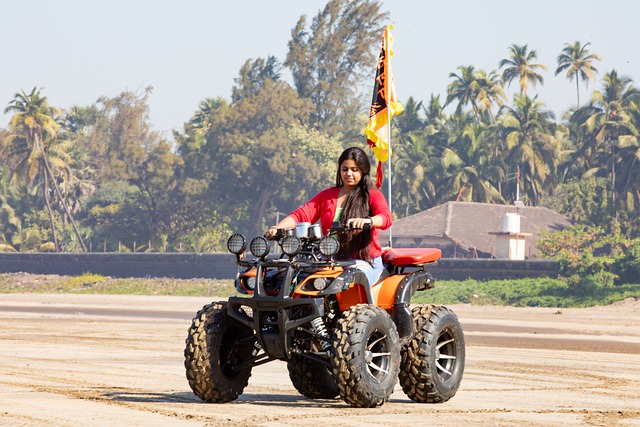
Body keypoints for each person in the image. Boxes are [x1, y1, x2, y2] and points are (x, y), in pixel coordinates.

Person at [266, 146, 392, 285]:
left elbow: (385, 217)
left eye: (354, 170)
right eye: (345, 169)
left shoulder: (372, 195)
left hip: (364, 262)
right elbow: (301, 215)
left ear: (363, 171)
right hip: (329, 260)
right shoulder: (327, 196)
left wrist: (368, 221)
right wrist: (277, 228)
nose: (349, 173)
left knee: (349, 284)